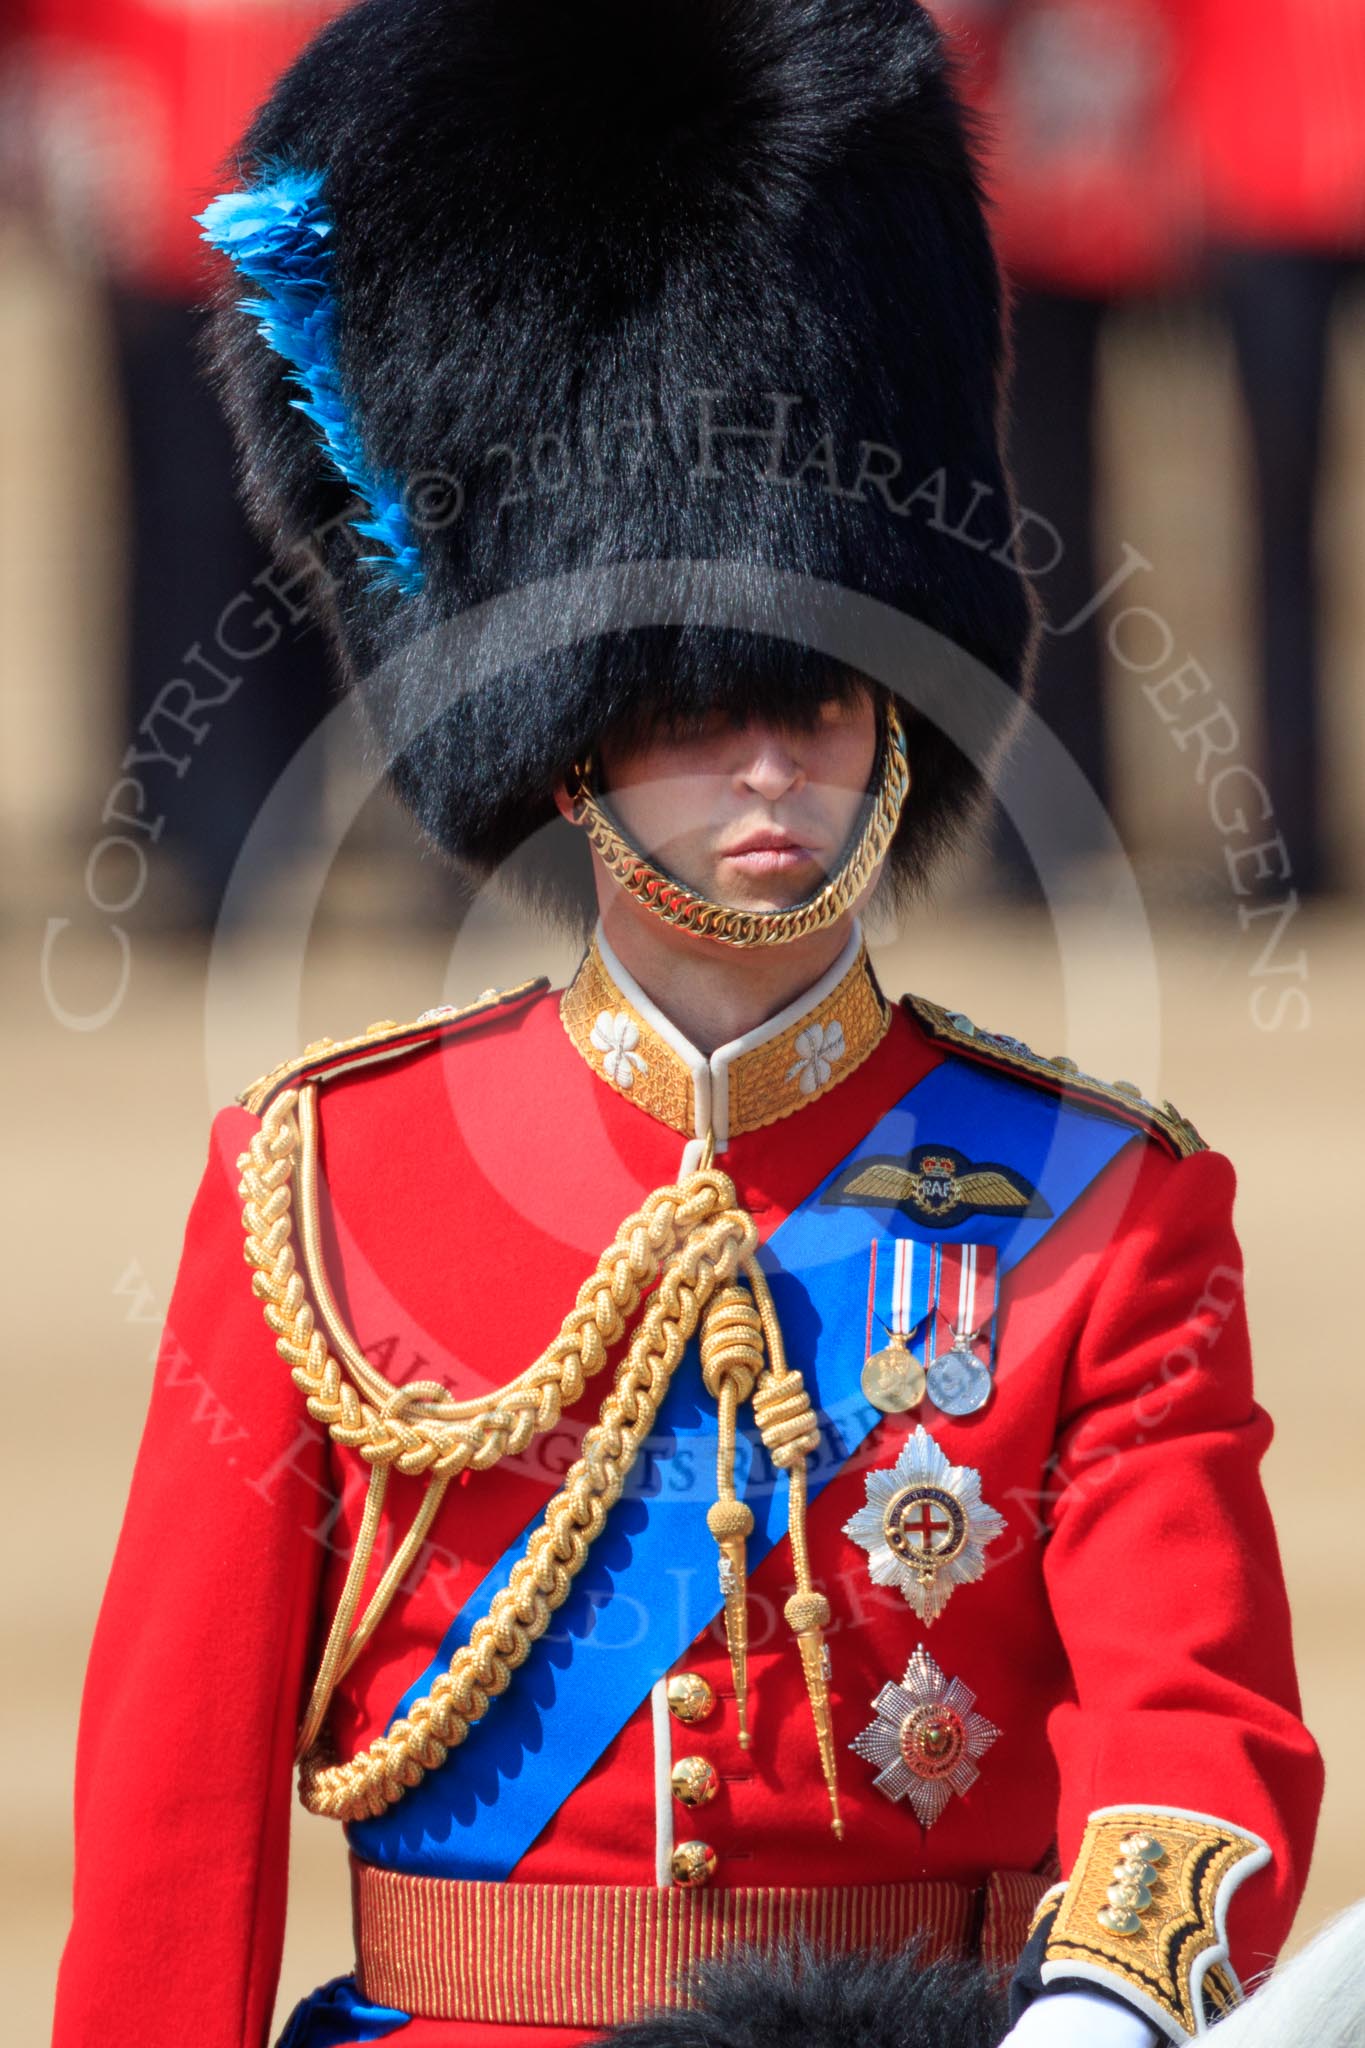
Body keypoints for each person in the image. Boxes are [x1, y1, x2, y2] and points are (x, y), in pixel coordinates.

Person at [50, 4, 1322, 2046]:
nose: (765, 774)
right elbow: (171, 1829)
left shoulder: (1106, 1211)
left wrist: (1098, 2014)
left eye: (814, 705)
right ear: (567, 753)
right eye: (690, 713)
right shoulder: (323, 1183)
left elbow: (1193, 1717)